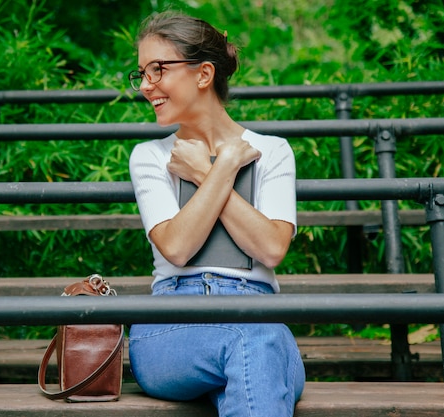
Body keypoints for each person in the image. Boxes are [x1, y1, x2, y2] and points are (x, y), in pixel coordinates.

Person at [127, 11, 305, 417]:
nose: (146, 86)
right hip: (172, 326)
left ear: (203, 74)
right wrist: (221, 168)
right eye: (141, 73)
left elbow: (272, 248)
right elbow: (176, 246)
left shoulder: (271, 151)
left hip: (261, 318)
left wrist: (204, 172)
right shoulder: (150, 157)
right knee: (254, 343)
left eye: (158, 70)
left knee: (255, 346)